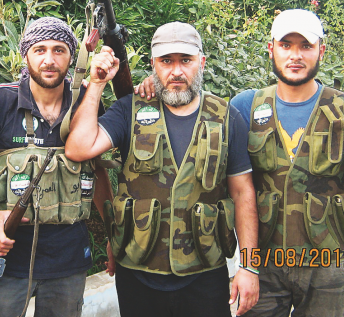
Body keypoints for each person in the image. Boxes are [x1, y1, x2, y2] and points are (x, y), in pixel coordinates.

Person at [66, 22, 259, 317]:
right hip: (138, 274)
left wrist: (249, 266)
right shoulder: (129, 110)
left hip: (205, 275)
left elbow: (243, 194)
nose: (176, 71)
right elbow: (78, 149)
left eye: (186, 60)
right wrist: (97, 83)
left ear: (201, 62)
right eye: (166, 61)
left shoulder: (226, 117)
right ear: (153, 64)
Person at [227, 9, 344, 316]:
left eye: (306, 45)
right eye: (286, 45)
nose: (295, 55)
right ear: (271, 49)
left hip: (328, 265)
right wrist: (151, 91)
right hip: (264, 264)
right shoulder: (245, 106)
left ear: (321, 50)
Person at [0, 17, 114, 317]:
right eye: (40, 50)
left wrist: (113, 235)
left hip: (68, 261)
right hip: (8, 260)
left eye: (59, 50)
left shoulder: (86, 101)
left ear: (71, 57)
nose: (49, 60)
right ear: (25, 55)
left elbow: (97, 170)